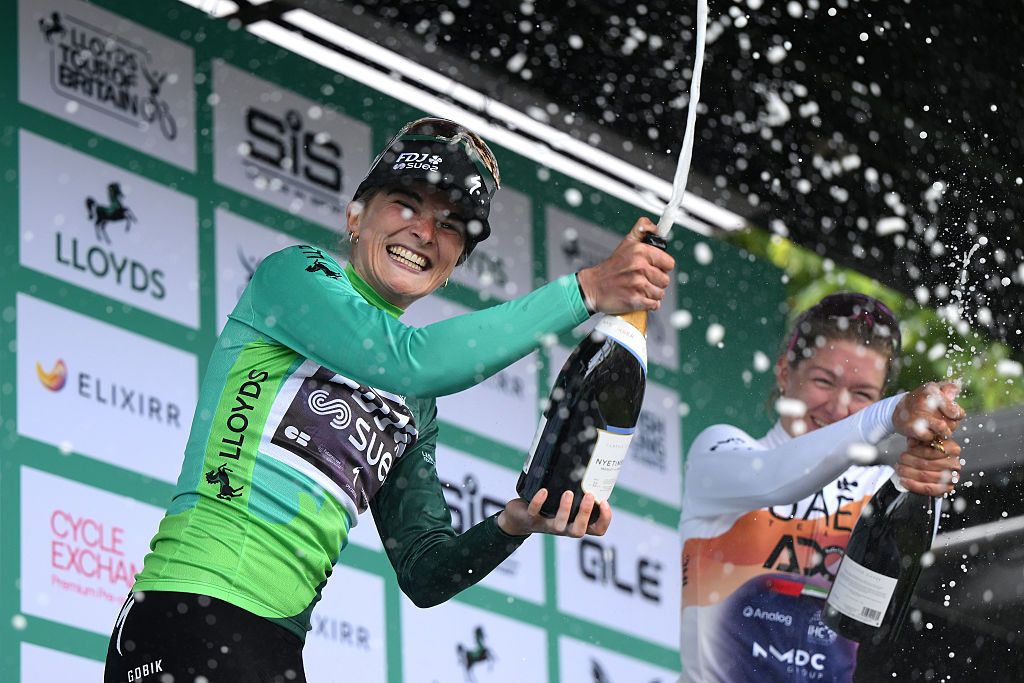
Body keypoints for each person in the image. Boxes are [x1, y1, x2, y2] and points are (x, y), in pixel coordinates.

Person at [103, 117, 675, 683]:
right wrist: (586, 291)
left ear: (454, 266)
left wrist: (514, 521)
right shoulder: (293, 276)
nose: (426, 232)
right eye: (406, 203)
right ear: (355, 216)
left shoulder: (414, 405)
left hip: (275, 645)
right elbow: (410, 358)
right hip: (187, 613)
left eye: (451, 225)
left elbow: (425, 570)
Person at [677, 292, 966, 683]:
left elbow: (890, 621)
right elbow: (773, 480)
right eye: (823, 381)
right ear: (783, 373)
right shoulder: (721, 450)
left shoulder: (886, 487)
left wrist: (928, 465)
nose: (839, 407)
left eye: (863, 394)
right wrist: (888, 414)